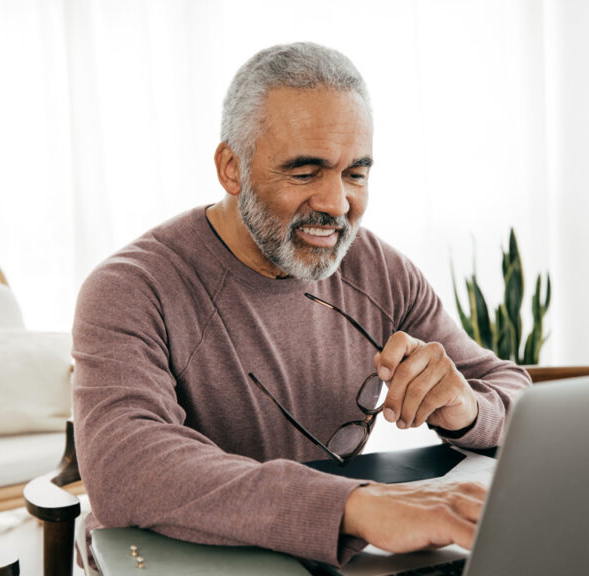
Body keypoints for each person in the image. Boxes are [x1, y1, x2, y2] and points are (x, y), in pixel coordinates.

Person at [72, 42, 530, 568]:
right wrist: (354, 507)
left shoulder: (379, 268)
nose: (337, 205)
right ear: (231, 168)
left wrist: (468, 407)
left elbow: (512, 391)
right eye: (305, 172)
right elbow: (126, 467)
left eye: (355, 173)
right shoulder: (130, 287)